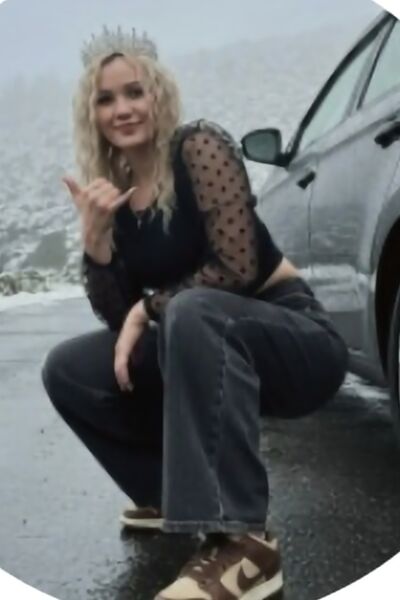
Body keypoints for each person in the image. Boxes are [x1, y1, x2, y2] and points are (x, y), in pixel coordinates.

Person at [41, 25, 348, 600]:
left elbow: (237, 266)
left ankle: (246, 544)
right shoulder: (115, 192)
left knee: (193, 310)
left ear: (158, 94)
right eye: (106, 99)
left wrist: (150, 307)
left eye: (134, 91)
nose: (122, 109)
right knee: (69, 368)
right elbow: (122, 326)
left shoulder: (198, 147)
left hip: (293, 338)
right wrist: (97, 245)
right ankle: (171, 496)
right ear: (91, 113)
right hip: (197, 339)